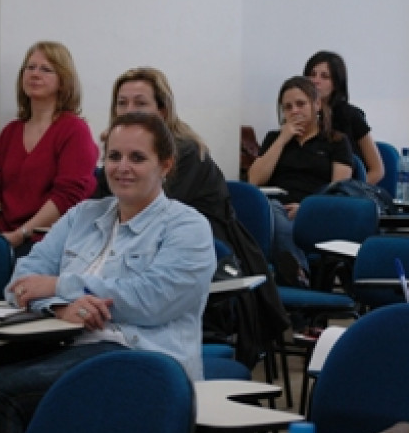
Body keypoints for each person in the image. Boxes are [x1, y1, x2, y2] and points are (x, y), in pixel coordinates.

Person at [0, 113, 214, 433]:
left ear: (166, 165)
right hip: (62, 341)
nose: (122, 167)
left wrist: (58, 286)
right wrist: (60, 306)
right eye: (114, 156)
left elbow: (151, 299)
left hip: (137, 357)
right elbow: (22, 281)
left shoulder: (188, 227)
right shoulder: (83, 215)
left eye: (137, 158)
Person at [93, 67, 289, 367]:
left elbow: (145, 218)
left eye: (140, 103)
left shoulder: (184, 153)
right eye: (122, 103)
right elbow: (100, 216)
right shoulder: (120, 156)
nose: (129, 110)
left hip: (201, 262)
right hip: (142, 258)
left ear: (162, 109)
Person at [0, 41, 98, 257]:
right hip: (3, 237)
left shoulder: (74, 130)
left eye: (45, 69)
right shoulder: (10, 132)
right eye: (30, 67)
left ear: (63, 81)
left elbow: (67, 196)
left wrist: (20, 234)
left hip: (48, 241)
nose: (35, 74)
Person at [248, 76, 353, 279]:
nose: (294, 111)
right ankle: (297, 273)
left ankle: (295, 272)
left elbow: (340, 189)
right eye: (288, 107)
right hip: (276, 209)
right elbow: (254, 180)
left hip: (314, 212)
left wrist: (307, 208)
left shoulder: (336, 141)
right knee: (270, 209)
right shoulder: (274, 138)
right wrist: (283, 139)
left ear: (317, 105)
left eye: (300, 104)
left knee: (274, 215)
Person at [304, 51, 384, 184]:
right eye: (312, 75)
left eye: (324, 76)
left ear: (336, 84)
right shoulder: (300, 115)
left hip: (343, 192)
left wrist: (350, 191)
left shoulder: (351, 116)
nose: (315, 81)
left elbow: (377, 170)